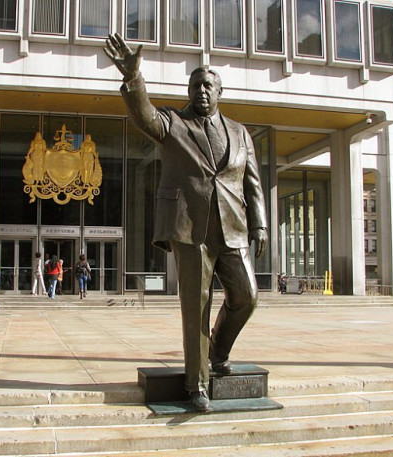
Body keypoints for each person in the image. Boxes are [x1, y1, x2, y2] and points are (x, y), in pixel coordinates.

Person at [104, 34, 268, 412]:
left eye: (208, 85)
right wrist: (133, 78)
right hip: (189, 227)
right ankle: (197, 385)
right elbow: (144, 116)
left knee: (246, 296)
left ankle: (216, 352)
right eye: (195, 86)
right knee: (196, 304)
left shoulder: (241, 133)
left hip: (233, 227)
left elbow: (252, 182)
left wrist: (258, 224)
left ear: (220, 91)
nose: (201, 91)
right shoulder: (173, 123)